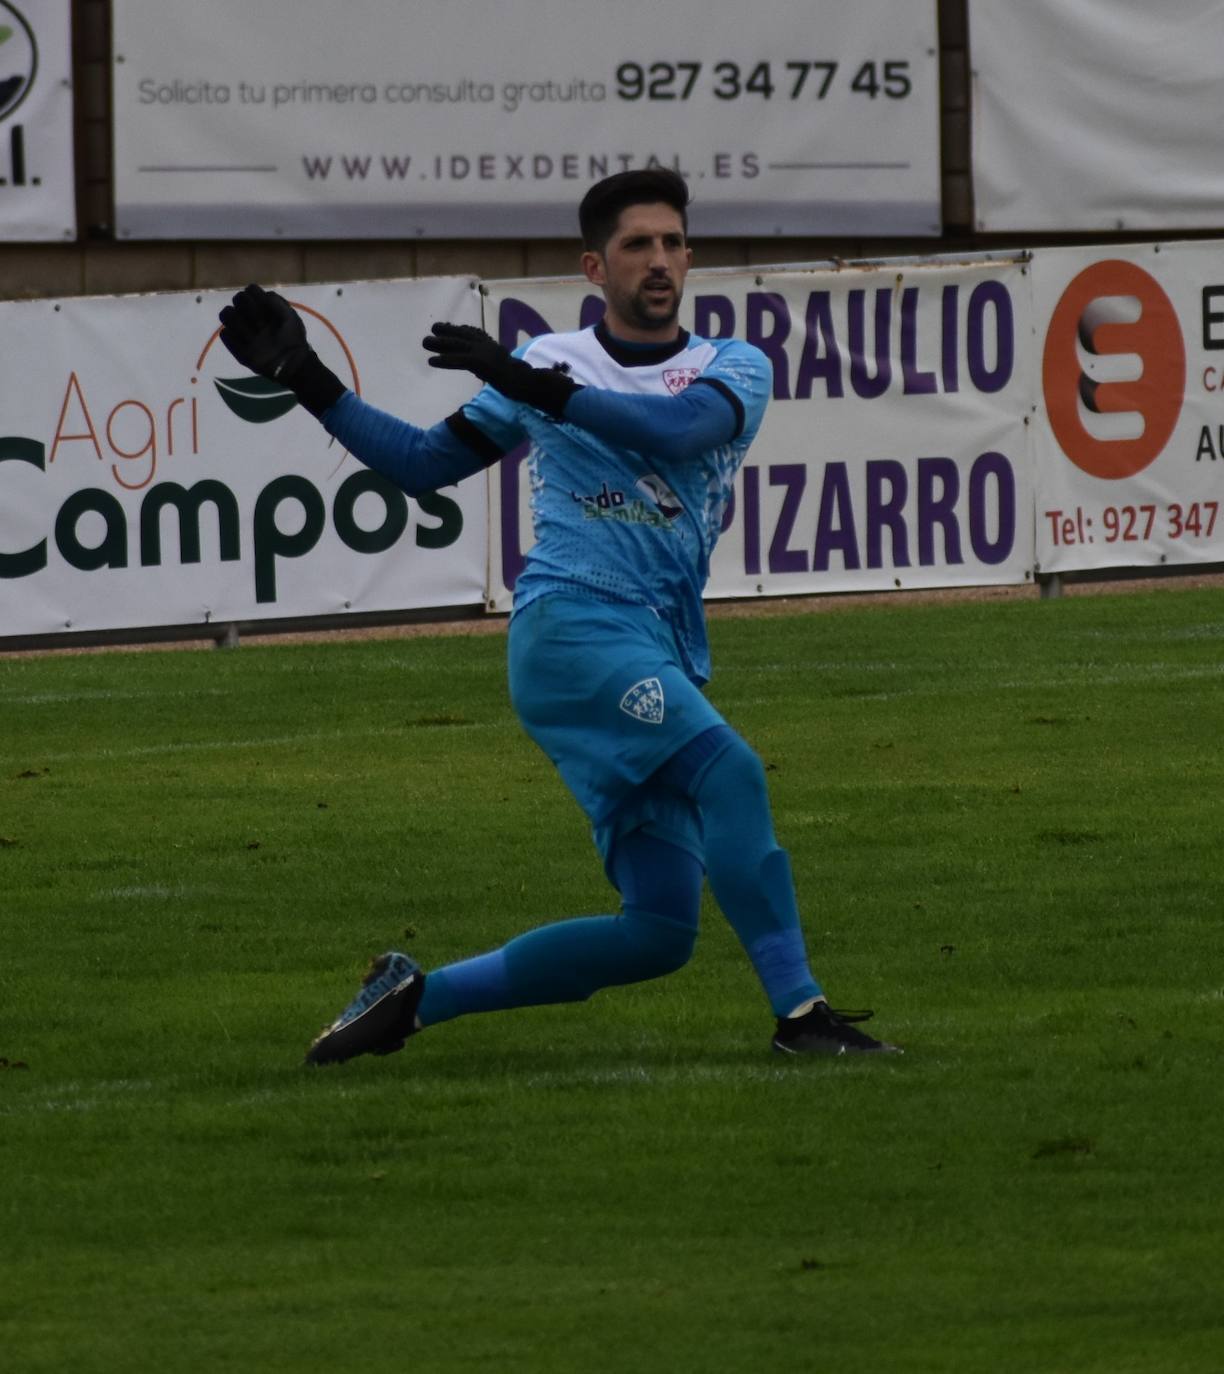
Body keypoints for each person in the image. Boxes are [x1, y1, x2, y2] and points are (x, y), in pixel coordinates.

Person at [218, 168, 900, 1062]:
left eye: (672, 242)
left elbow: (678, 431)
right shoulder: (547, 363)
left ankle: (416, 999)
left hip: (655, 644)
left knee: (658, 933)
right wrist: (305, 378)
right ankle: (804, 1019)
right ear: (594, 266)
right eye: (636, 244)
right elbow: (422, 465)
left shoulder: (733, 364)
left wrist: (528, 382)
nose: (659, 260)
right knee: (731, 774)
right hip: (572, 629)